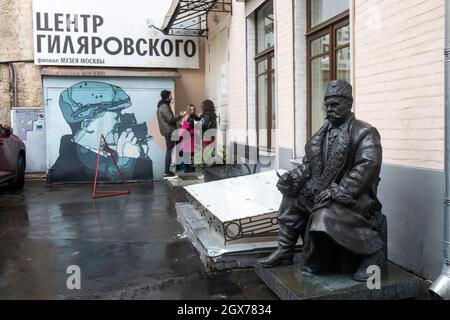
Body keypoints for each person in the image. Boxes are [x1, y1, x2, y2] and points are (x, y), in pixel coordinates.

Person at [257, 80, 386, 282]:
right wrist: (293, 178)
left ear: (349, 104)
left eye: (335, 104)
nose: (329, 109)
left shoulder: (364, 132)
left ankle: (372, 253)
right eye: (327, 105)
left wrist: (338, 190)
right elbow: (309, 166)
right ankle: (285, 250)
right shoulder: (322, 133)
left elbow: (367, 167)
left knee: (324, 212)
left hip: (354, 197)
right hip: (322, 190)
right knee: (292, 198)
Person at [49, 81, 153, 183]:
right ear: (87, 125)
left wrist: (139, 156)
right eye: (115, 116)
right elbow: (115, 189)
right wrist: (127, 160)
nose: (120, 121)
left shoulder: (110, 152)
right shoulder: (65, 167)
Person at [157, 90, 186, 177]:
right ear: (166, 97)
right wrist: (180, 115)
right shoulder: (164, 106)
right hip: (169, 132)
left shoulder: (162, 106)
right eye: (170, 96)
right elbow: (170, 119)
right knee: (169, 150)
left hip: (168, 132)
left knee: (170, 150)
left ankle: (167, 171)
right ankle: (166, 171)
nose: (171, 97)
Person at [178, 104, 201, 173]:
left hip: (193, 138)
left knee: (192, 154)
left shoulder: (195, 117)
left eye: (193, 109)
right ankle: (186, 169)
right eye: (191, 109)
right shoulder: (186, 117)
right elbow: (182, 128)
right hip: (187, 138)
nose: (192, 111)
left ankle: (191, 169)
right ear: (188, 110)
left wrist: (199, 118)